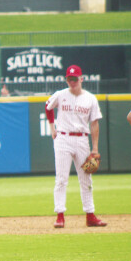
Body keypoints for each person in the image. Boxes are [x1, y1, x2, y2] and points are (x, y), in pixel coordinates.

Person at [45, 64, 107, 229]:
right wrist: (52, 127)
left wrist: (95, 148)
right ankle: (60, 216)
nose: (72, 82)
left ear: (81, 79)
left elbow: (94, 124)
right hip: (63, 138)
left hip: (81, 139)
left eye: (75, 79)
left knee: (86, 179)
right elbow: (47, 106)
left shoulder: (90, 99)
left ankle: (90, 215)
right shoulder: (61, 95)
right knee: (61, 179)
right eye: (69, 79)